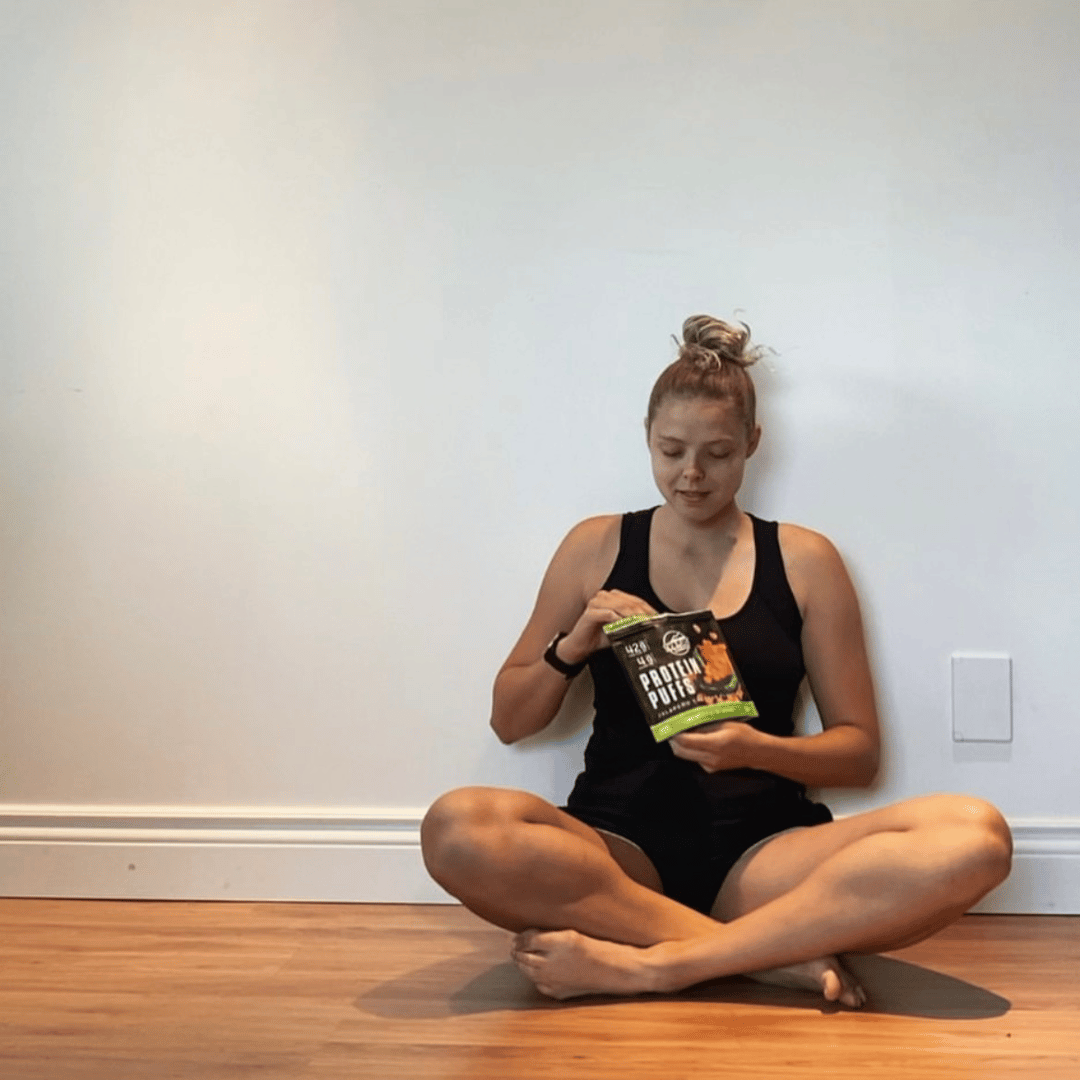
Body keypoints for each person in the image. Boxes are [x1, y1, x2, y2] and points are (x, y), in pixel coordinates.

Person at [420, 315, 1012, 1005]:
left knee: (976, 837)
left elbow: (858, 755)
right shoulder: (594, 546)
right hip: (616, 857)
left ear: (752, 445)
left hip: (766, 860)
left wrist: (754, 749)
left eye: (718, 454)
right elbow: (508, 721)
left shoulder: (806, 560)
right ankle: (764, 956)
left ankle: (657, 964)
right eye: (671, 451)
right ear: (647, 438)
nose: (692, 475)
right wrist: (573, 645)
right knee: (456, 826)